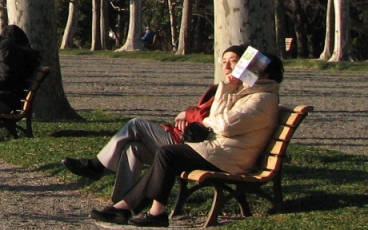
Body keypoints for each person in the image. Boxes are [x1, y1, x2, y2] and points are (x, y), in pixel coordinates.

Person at [82, 49, 283, 228]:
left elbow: (226, 124)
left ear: (264, 73)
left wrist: (205, 123)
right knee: (165, 154)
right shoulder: (249, 93)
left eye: (247, 67)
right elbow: (219, 113)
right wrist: (229, 87)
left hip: (228, 157)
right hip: (221, 151)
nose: (240, 71)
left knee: (168, 154)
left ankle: (145, 211)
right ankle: (139, 210)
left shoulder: (262, 98)